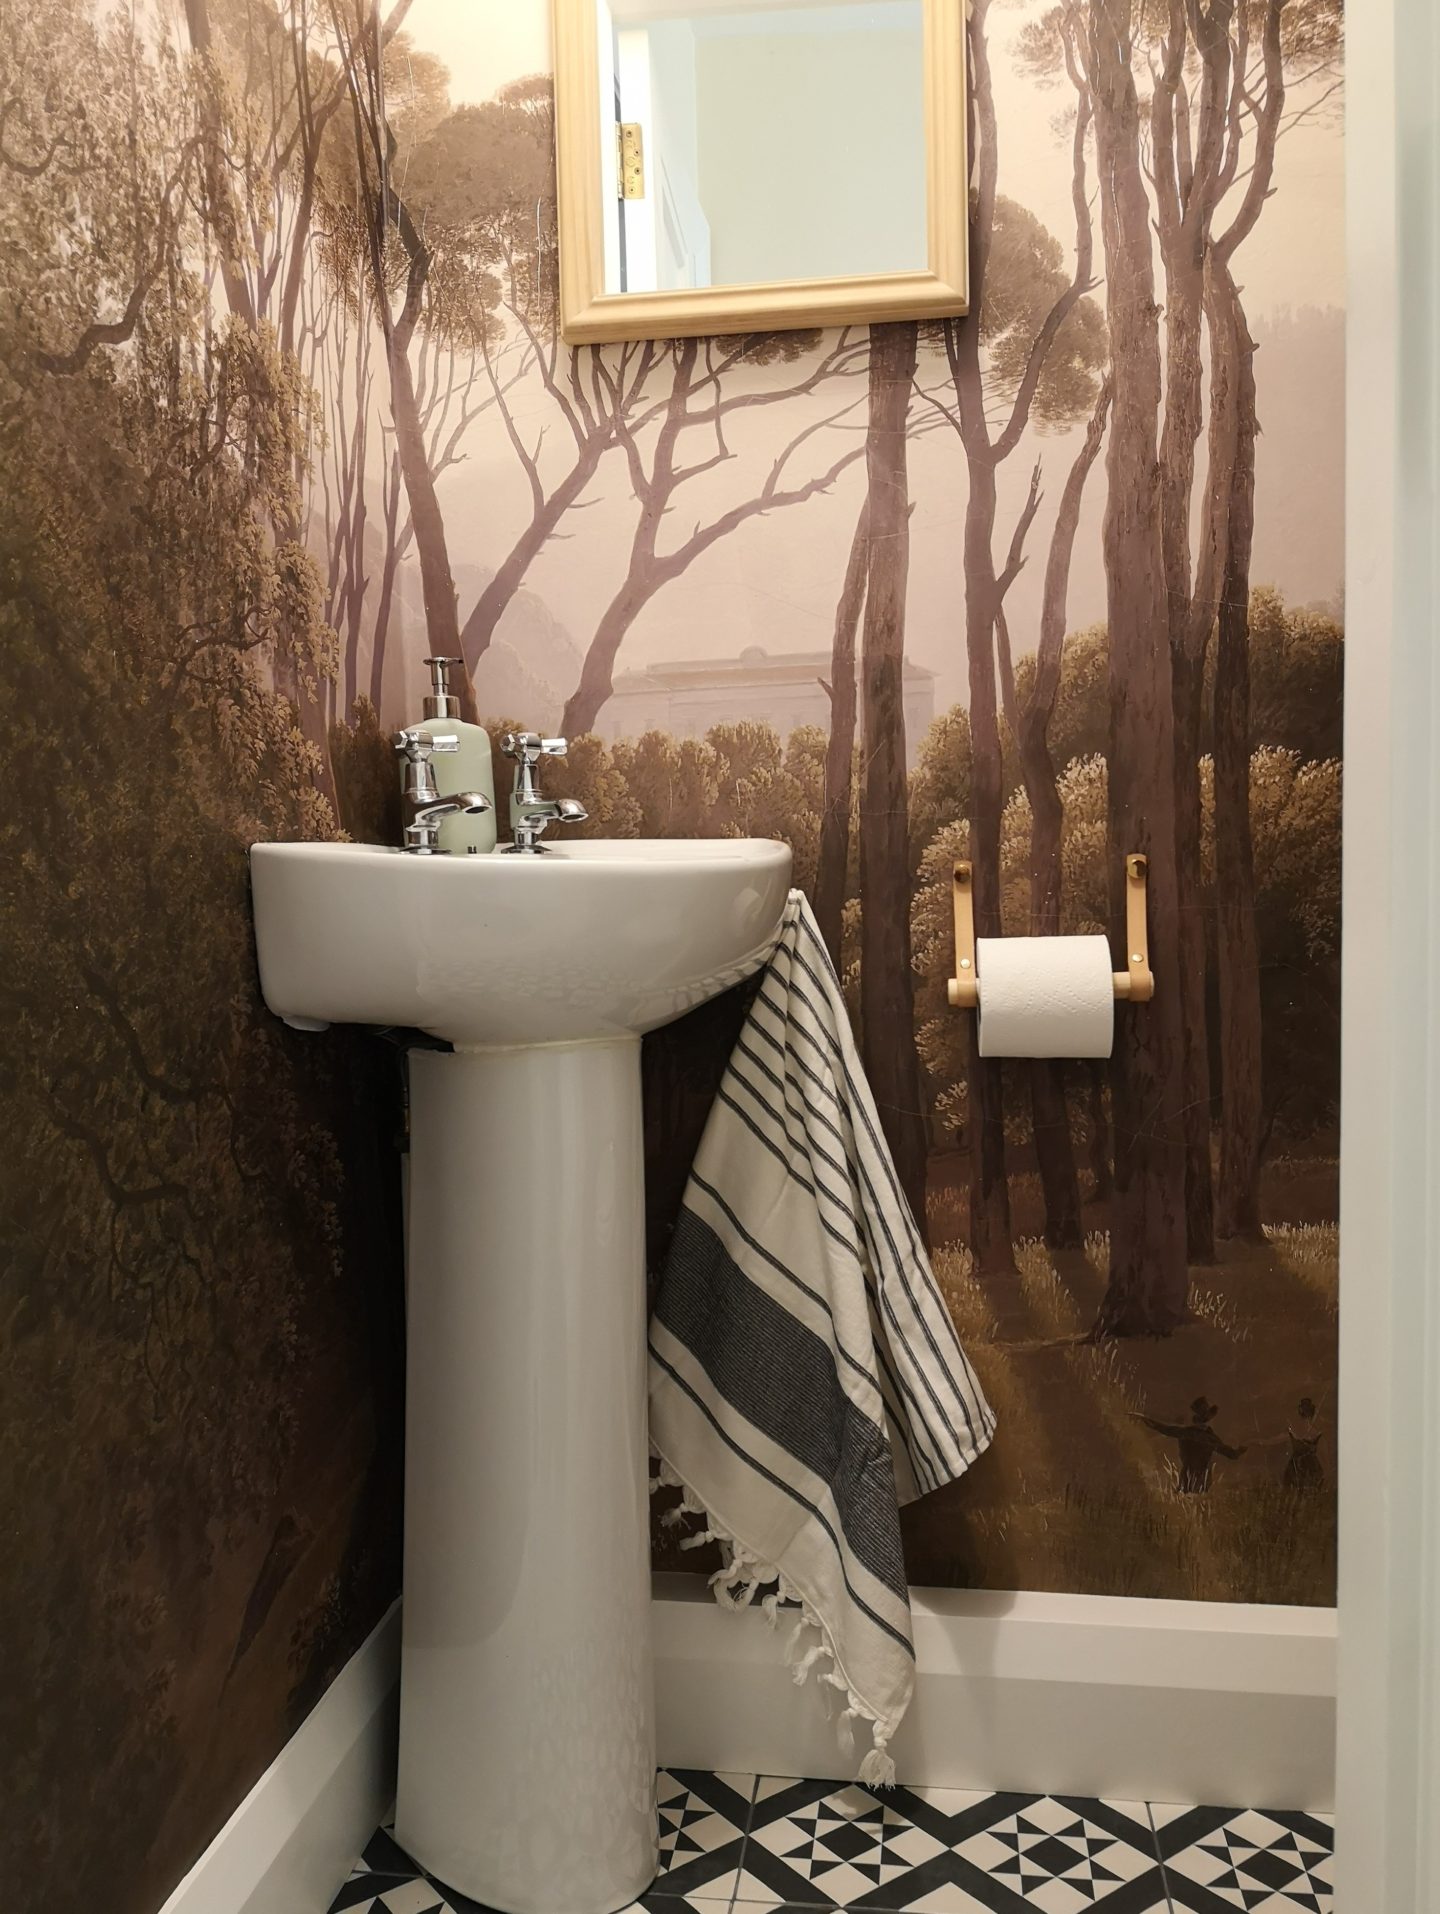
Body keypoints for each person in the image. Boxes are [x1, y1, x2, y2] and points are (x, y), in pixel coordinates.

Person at [1133, 1396, 1247, 1493]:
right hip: (1201, 1481)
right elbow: (1232, 1455)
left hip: (1188, 1479)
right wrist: (1243, 1448)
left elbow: (1163, 1428)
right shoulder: (1209, 1437)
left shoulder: (1187, 1433)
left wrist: (1144, 1419)